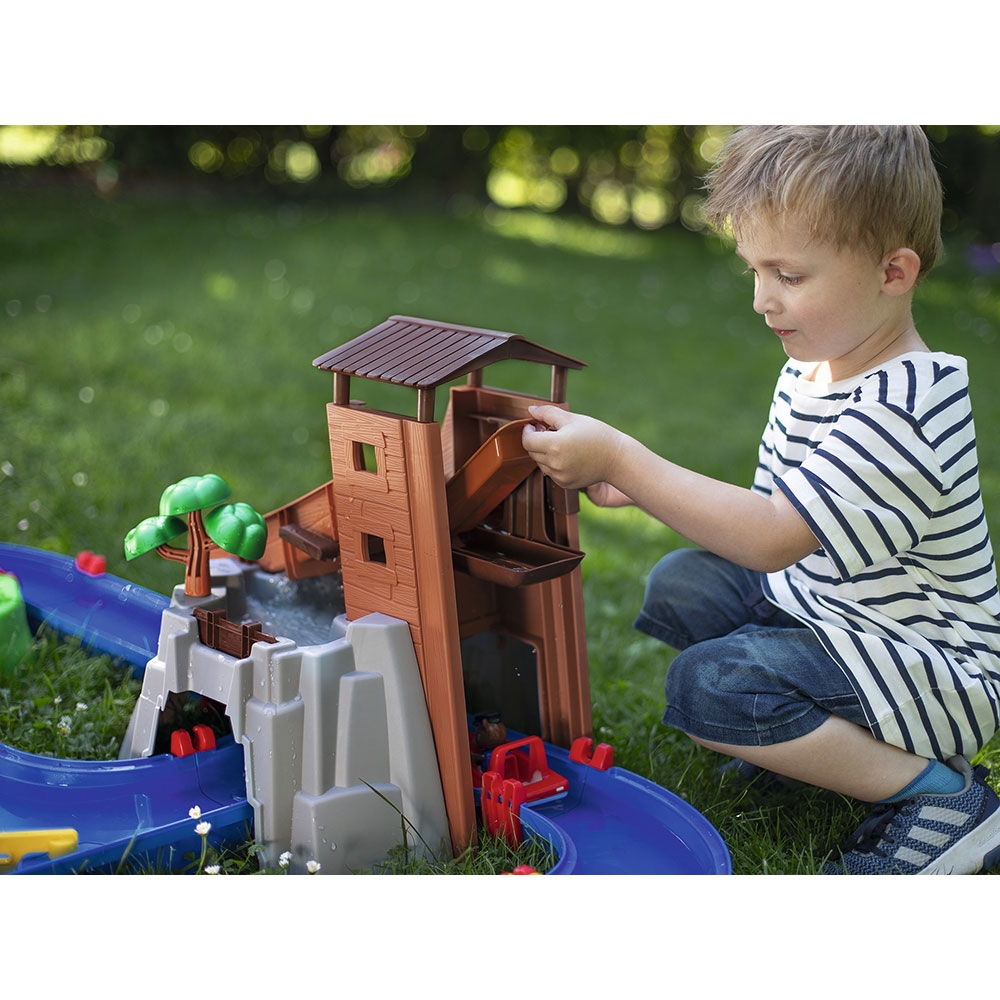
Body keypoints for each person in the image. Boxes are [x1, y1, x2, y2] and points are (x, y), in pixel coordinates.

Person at [522, 125, 1000, 875]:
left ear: (893, 271)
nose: (761, 299)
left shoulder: (904, 405)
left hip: (933, 673)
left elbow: (771, 536)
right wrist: (640, 491)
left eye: (790, 275)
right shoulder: (816, 371)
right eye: (754, 270)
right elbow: (768, 510)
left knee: (709, 685)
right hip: (834, 617)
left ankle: (943, 799)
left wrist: (624, 456)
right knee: (684, 584)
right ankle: (799, 747)